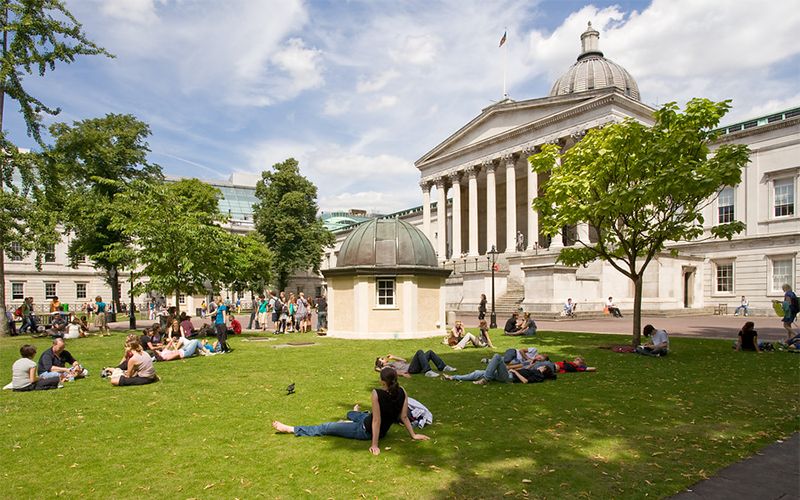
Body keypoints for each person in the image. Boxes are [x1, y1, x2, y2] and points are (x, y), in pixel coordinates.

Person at [272, 367, 430, 455]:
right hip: (370, 423)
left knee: (326, 427)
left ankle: (292, 429)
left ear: (383, 382)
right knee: (353, 414)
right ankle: (353, 413)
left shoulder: (378, 394)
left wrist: (375, 445)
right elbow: (403, 417)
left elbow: (377, 421)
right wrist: (413, 434)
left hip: (363, 430)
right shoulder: (402, 391)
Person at [443, 353, 554, 385]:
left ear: (544, 369)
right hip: (508, 373)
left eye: (542, 365)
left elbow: (525, 381)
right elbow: (526, 370)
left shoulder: (538, 375)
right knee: (478, 372)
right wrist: (531, 364)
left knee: (496, 356)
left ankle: (486, 379)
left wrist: (514, 371)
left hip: (510, 377)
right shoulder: (533, 370)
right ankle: (453, 377)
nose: (540, 365)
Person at [374, 351, 457, 378]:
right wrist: (403, 374)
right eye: (382, 359)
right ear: (382, 363)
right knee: (419, 352)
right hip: (411, 369)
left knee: (429, 352)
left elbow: (404, 360)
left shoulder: (391, 362)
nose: (384, 358)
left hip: (412, 366)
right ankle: (428, 371)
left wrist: (393, 357)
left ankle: (443, 367)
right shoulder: (387, 367)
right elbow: (392, 372)